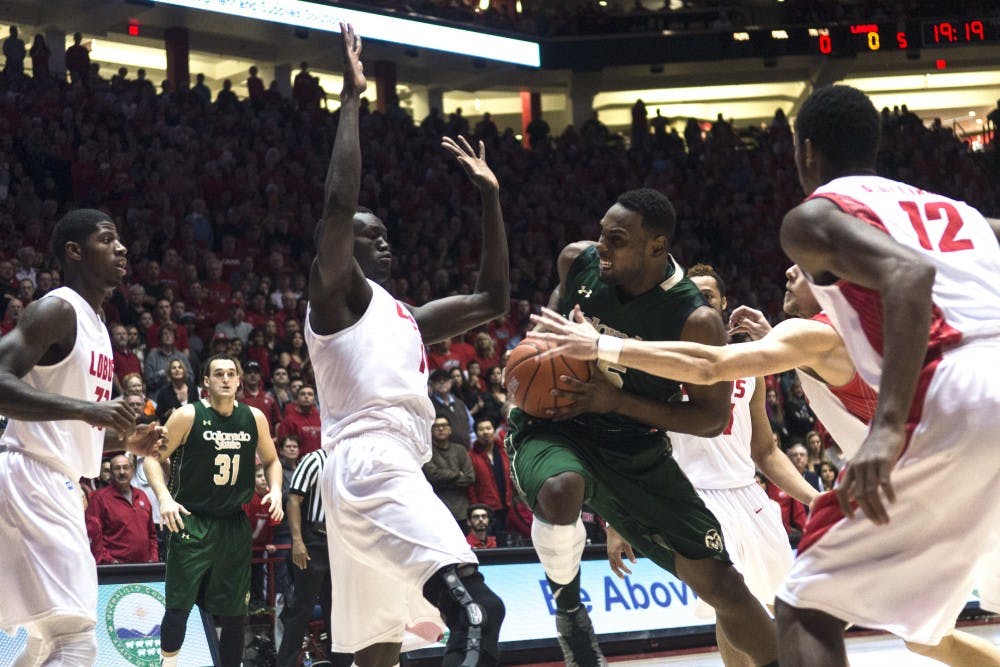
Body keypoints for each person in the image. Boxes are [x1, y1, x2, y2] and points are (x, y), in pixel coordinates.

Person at [304, 23, 507, 667]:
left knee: (377, 651)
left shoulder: (406, 316)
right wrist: (353, 101)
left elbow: (491, 302)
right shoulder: (335, 298)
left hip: (383, 467)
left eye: (386, 232)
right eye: (369, 235)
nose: (381, 239)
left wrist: (491, 199)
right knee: (478, 612)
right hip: (370, 463)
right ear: (344, 248)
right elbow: (339, 205)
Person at [509, 189, 778, 667]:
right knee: (561, 486)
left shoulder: (694, 319)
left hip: (632, 444)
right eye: (602, 234)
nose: (601, 248)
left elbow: (712, 419)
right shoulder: (579, 263)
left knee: (724, 584)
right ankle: (570, 613)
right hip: (557, 424)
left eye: (615, 240)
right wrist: (535, 359)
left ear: (656, 247)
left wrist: (614, 399)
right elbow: (542, 340)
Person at [613, 262, 817, 667]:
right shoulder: (662, 362)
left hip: (747, 493)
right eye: (692, 295)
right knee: (733, 599)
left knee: (780, 602)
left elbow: (766, 451)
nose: (699, 302)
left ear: (723, 303)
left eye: (708, 295)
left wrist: (816, 497)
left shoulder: (748, 364)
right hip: (693, 497)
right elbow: (629, 445)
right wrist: (615, 521)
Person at [0, 209, 164, 667]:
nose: (122, 248)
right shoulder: (58, 308)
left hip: (54, 479)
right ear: (74, 251)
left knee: (44, 643)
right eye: (107, 239)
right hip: (33, 479)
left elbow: (67, 426)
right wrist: (88, 409)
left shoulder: (96, 324)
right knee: (75, 641)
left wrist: (125, 444)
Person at [144, 354, 283, 667]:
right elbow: (152, 457)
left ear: (238, 381)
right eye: (218, 373)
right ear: (205, 382)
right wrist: (164, 498)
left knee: (236, 612)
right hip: (192, 521)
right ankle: (169, 663)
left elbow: (272, 460)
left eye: (231, 373)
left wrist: (275, 490)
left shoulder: (255, 417)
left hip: (234, 523)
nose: (226, 378)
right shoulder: (187, 415)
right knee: (179, 606)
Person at [277, 446, 353, 667]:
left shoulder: (351, 462)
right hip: (313, 540)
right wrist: (298, 540)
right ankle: (286, 663)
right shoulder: (313, 460)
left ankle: (342, 662)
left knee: (338, 609)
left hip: (340, 541)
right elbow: (293, 500)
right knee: (301, 607)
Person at [85, 454, 158, 564]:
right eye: (117, 468)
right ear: (111, 472)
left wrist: (154, 558)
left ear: (132, 470)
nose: (122, 472)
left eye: (126, 467)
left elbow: (151, 533)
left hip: (145, 568)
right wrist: (109, 560)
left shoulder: (141, 495)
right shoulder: (99, 498)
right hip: (116, 569)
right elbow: (94, 536)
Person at [423, 417, 476, 525]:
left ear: (450, 429)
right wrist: (457, 474)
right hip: (439, 507)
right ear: (431, 430)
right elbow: (432, 477)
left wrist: (444, 481)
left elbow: (470, 478)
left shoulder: (460, 449)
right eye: (436, 426)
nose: (441, 428)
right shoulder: (427, 452)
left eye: (444, 425)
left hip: (462, 510)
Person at [467, 418, 513, 534]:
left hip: (508, 505)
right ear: (476, 433)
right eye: (481, 429)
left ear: (494, 430)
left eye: (488, 428)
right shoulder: (471, 456)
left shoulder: (504, 450)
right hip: (486, 509)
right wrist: (476, 506)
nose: (485, 432)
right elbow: (471, 486)